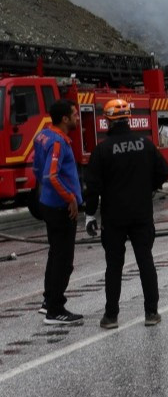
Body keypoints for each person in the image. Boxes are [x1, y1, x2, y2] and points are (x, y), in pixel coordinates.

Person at [83, 98, 168, 328]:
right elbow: (164, 171)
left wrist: (90, 215)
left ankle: (111, 316)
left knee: (114, 266)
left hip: (114, 218)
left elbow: (93, 187)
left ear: (107, 121)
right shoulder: (146, 144)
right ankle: (151, 313)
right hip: (141, 215)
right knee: (145, 262)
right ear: (128, 118)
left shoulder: (102, 150)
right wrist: (148, 187)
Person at [34, 99, 85, 325]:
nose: (77, 117)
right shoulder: (58, 143)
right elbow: (51, 175)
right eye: (74, 114)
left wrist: (43, 195)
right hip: (60, 208)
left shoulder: (43, 135)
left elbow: (36, 170)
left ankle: (48, 301)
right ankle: (56, 309)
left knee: (54, 255)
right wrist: (70, 198)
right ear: (64, 119)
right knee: (64, 260)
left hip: (48, 203)